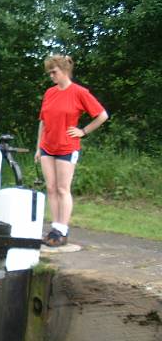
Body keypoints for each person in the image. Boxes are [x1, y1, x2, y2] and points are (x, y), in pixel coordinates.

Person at [34, 54, 108, 247]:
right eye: (49, 73)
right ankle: (54, 228)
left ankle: (62, 229)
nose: (51, 76)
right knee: (50, 188)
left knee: (62, 188)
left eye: (54, 72)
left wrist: (83, 131)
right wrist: (38, 148)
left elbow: (102, 115)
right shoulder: (50, 93)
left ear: (64, 71)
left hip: (67, 146)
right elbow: (43, 121)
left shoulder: (79, 92)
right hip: (47, 146)